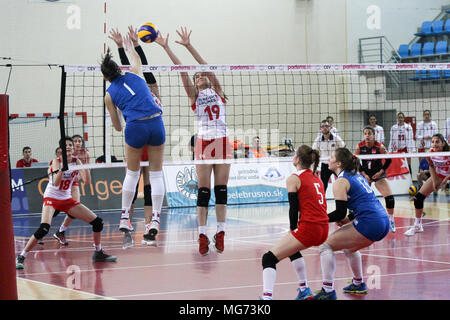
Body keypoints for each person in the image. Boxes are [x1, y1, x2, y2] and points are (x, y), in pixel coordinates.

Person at [158, 27, 232, 255]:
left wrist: (189, 45)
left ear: (208, 80)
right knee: (203, 191)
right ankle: (201, 234)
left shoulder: (218, 91)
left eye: (202, 76)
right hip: (203, 143)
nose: (199, 77)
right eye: (196, 76)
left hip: (222, 141)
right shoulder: (194, 96)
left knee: (221, 190)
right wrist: (166, 46)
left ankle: (220, 232)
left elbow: (206, 66)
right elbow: (182, 71)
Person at [101, 34, 165, 247]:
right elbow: (137, 60)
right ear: (119, 69)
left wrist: (121, 110)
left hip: (135, 126)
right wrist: (129, 47)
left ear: (105, 77)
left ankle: (124, 217)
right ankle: (155, 219)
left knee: (132, 173)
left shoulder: (109, 95)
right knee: (156, 174)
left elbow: (118, 127)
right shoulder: (136, 75)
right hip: (156, 122)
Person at [15, 137, 117, 269]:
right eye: (66, 145)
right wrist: (63, 168)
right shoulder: (56, 161)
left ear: (73, 148)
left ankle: (98, 252)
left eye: (70, 145)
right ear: (61, 149)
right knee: (44, 228)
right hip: (51, 198)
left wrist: (86, 166)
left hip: (66, 199)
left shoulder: (77, 161)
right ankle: (22, 255)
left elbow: (87, 182)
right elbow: (56, 182)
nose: (68, 147)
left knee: (98, 222)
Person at [313, 148, 389, 300]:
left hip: (370, 222)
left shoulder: (340, 182)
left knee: (325, 246)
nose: (329, 159)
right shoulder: (357, 176)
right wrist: (349, 218)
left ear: (339, 163)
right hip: (382, 220)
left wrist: (319, 219)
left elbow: (339, 213)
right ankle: (358, 283)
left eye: (332, 157)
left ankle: (327, 290)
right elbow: (365, 202)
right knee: (348, 247)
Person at [261, 145, 328, 300]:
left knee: (268, 258)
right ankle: (304, 289)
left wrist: (293, 229)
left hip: (310, 228)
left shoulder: (294, 178)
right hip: (323, 229)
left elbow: (294, 208)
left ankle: (267, 299)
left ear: (297, 159)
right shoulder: (317, 178)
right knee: (293, 249)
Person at [404, 134, 450, 236]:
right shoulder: (430, 153)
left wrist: (446, 180)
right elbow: (431, 167)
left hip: (448, 176)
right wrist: (434, 182)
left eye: (437, 142)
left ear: (443, 143)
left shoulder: (448, 153)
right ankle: (417, 225)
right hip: (439, 175)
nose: (434, 144)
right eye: (432, 142)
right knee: (418, 198)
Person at [52, 134, 92, 246]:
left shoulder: (85, 154)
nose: (78, 143)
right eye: (75, 141)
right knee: (53, 211)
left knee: (74, 209)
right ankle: (41, 231)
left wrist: (78, 177)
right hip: (60, 182)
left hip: (73, 182)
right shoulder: (66, 153)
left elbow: (86, 171)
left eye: (80, 141)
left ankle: (60, 231)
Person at [355, 126, 396, 232]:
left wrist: (380, 172)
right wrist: (364, 175)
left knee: (390, 198)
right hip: (366, 175)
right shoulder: (359, 147)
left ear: (374, 135)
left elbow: (388, 160)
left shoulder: (380, 147)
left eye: (369, 133)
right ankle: (360, 220)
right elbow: (356, 163)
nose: (367, 136)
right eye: (365, 134)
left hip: (378, 174)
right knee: (360, 200)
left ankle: (391, 220)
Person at [312, 119, 346, 192]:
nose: (324, 128)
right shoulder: (318, 140)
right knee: (323, 185)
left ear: (330, 127)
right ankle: (322, 201)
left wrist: (341, 161)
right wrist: (315, 168)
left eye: (326, 126)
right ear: (320, 129)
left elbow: (343, 147)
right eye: (323, 126)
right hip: (325, 165)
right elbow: (314, 153)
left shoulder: (336, 138)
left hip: (335, 164)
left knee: (343, 181)